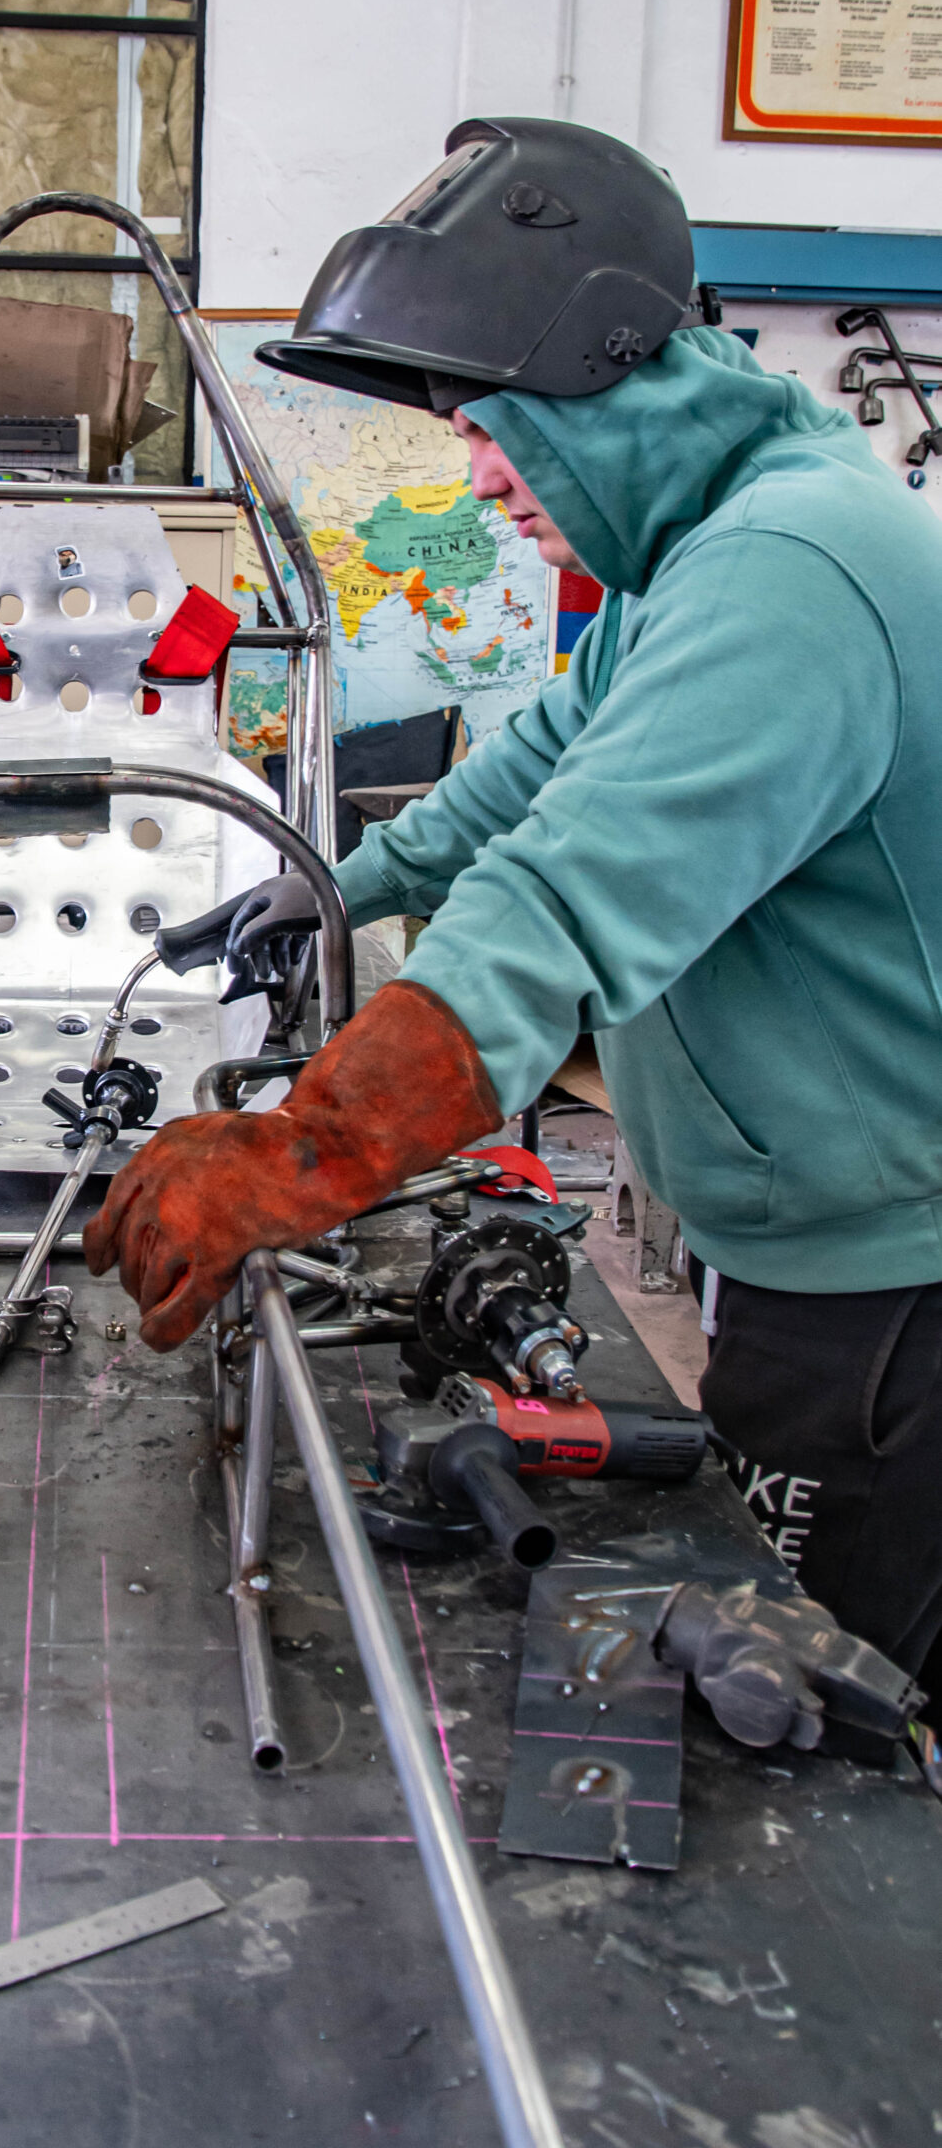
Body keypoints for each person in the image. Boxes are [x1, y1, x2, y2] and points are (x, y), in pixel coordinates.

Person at [87, 113, 942, 1707]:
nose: (474, 476)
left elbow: (563, 894)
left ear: (607, 376)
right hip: (815, 1249)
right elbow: (535, 770)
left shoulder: (790, 570)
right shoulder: (701, 547)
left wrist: (308, 1150)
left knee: (822, 1735)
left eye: (490, 427)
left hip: (891, 1300)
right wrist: (328, 888)